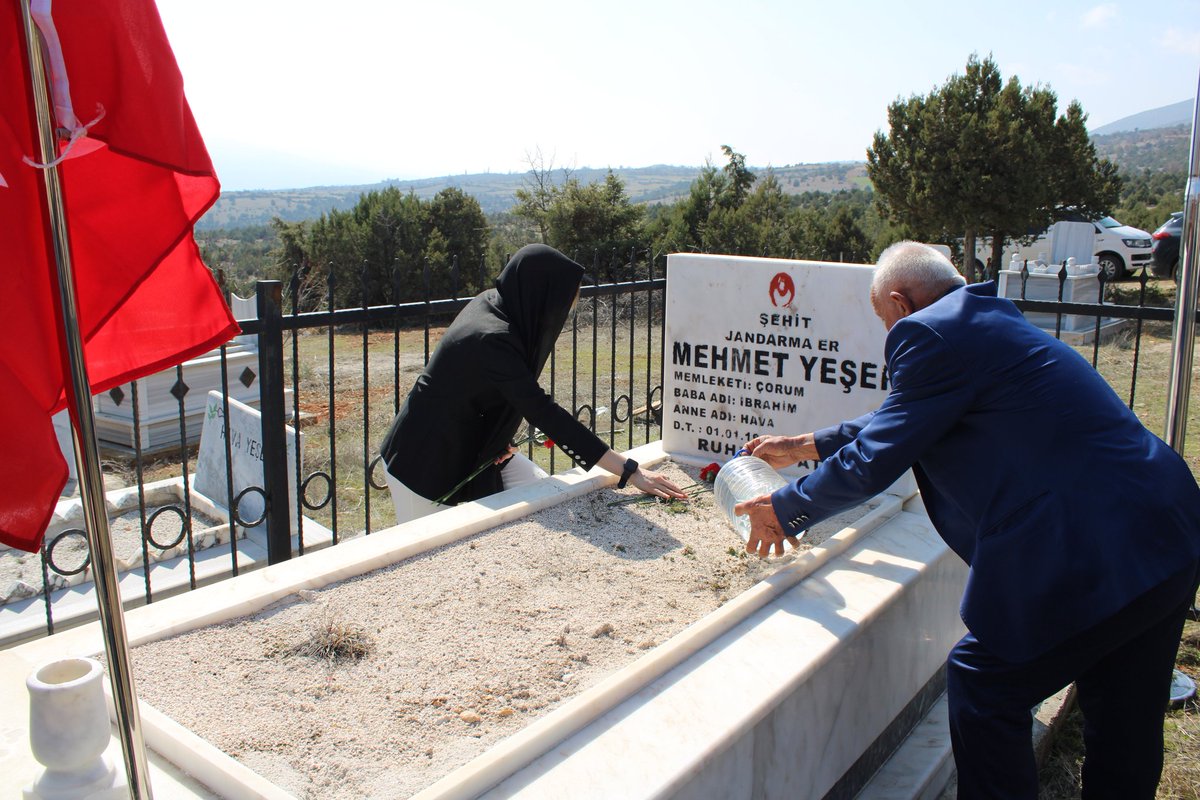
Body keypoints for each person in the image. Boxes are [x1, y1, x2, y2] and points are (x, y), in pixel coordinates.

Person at [734, 241, 1200, 799]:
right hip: (1166, 527)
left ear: (900, 303)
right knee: (1125, 712)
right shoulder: (983, 318)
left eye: (883, 320)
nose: (888, 332)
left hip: (1087, 545)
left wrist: (786, 509)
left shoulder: (925, 333)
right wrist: (806, 444)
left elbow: (877, 456)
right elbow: (905, 415)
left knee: (985, 682)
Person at [380, 244, 686, 522]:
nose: (563, 313)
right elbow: (543, 411)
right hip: (423, 462)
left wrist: (498, 437)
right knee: (432, 555)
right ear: (539, 295)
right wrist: (631, 472)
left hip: (478, 451)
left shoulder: (497, 304)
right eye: (560, 303)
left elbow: (482, 392)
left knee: (542, 492)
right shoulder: (492, 337)